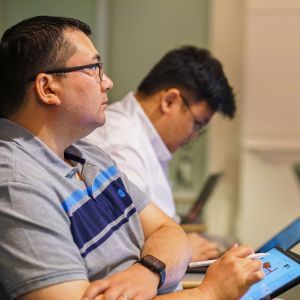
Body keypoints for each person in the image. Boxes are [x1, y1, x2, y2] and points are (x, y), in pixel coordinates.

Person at [0, 16, 263, 300]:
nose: (108, 82)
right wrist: (210, 293)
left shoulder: (87, 154)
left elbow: (168, 230)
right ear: (48, 88)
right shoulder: (18, 185)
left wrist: (148, 270)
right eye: (94, 69)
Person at [85, 46, 236, 262]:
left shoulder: (146, 140)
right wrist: (185, 250)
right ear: (170, 101)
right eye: (197, 124)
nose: (194, 136)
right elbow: (126, 248)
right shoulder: (122, 146)